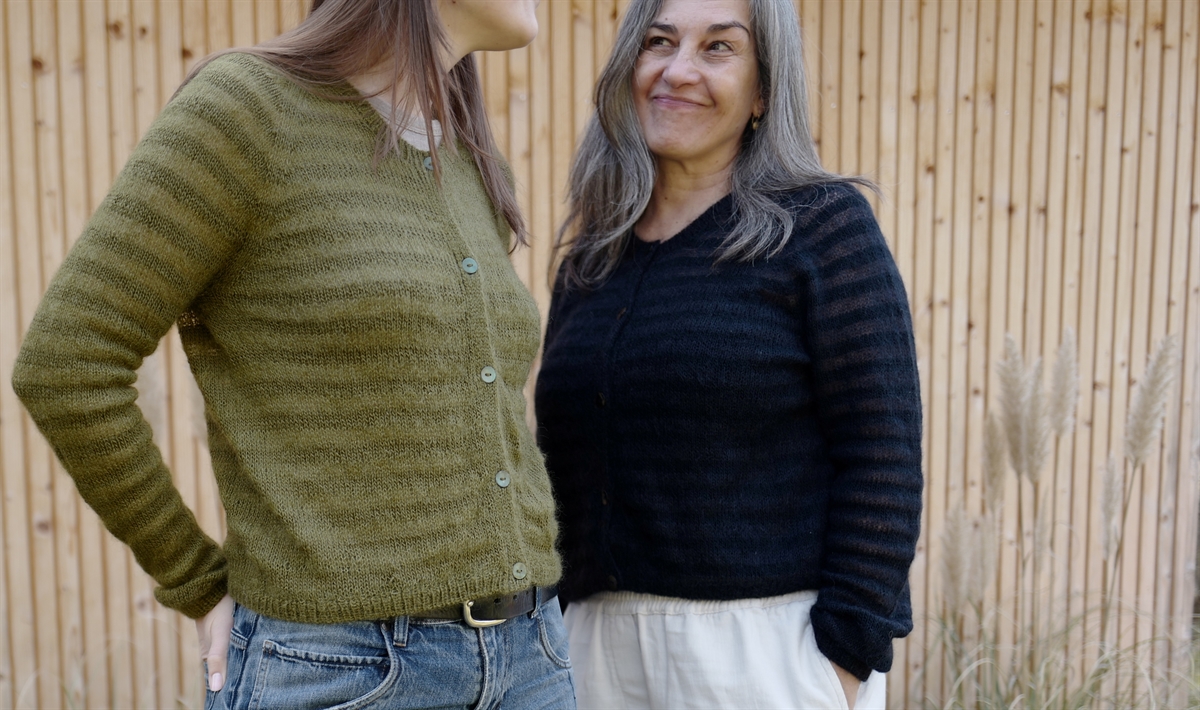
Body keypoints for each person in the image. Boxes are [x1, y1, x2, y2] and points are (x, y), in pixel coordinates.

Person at [12, 1, 576, 708]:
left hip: (531, 656)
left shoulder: (468, 158)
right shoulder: (249, 111)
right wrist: (194, 581)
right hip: (345, 668)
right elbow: (67, 363)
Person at [534, 0, 923, 707]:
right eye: (659, 42)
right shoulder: (592, 260)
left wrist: (841, 660)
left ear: (763, 91)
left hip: (763, 656)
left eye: (718, 48)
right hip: (591, 654)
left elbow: (882, 454)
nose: (678, 70)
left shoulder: (822, 230)